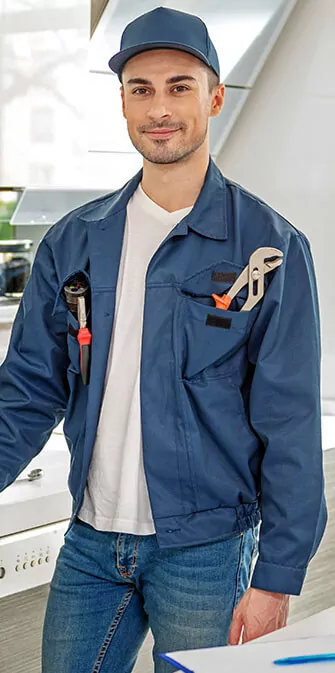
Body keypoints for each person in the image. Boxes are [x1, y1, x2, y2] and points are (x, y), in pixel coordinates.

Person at [0, 6, 327, 673]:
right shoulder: (75, 241)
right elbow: (28, 389)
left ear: (212, 96)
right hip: (90, 546)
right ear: (121, 102)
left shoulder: (265, 249)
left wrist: (276, 576)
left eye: (179, 86)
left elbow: (286, 421)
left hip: (206, 550)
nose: (159, 107)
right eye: (140, 89)